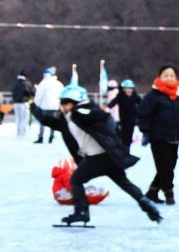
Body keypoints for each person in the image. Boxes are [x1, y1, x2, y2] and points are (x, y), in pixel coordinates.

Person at [30, 84, 162, 226]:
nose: (62, 106)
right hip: (106, 157)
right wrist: (32, 105)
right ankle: (147, 206)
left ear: (73, 102)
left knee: (76, 180)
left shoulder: (79, 112)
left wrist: (112, 137)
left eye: (64, 102)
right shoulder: (68, 118)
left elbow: (104, 116)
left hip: (98, 157)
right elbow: (46, 120)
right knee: (124, 182)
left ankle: (81, 212)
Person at [137, 65, 179, 205]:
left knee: (168, 167)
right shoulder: (153, 96)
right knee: (165, 168)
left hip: (175, 137)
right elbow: (143, 114)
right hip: (158, 137)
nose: (169, 77)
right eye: (166, 75)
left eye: (172, 75)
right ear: (160, 77)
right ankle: (169, 194)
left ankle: (152, 192)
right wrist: (145, 132)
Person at [33, 67, 64, 143]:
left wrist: (36, 105)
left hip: (44, 106)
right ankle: (51, 136)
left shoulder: (43, 83)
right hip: (55, 106)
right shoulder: (59, 83)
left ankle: (41, 137)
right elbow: (62, 95)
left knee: (43, 122)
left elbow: (39, 95)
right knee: (53, 122)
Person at [108, 80, 142, 148]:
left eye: (130, 88)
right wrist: (107, 107)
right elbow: (112, 103)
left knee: (129, 136)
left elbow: (142, 104)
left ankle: (127, 150)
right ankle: (124, 149)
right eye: (127, 88)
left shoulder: (135, 96)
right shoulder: (120, 96)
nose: (129, 90)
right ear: (123, 89)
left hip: (132, 120)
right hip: (123, 120)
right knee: (123, 137)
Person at [11, 70, 34, 138]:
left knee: (18, 118)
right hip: (24, 103)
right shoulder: (26, 83)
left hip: (16, 103)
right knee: (24, 118)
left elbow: (12, 92)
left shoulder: (15, 83)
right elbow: (31, 92)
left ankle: (18, 132)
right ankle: (23, 132)